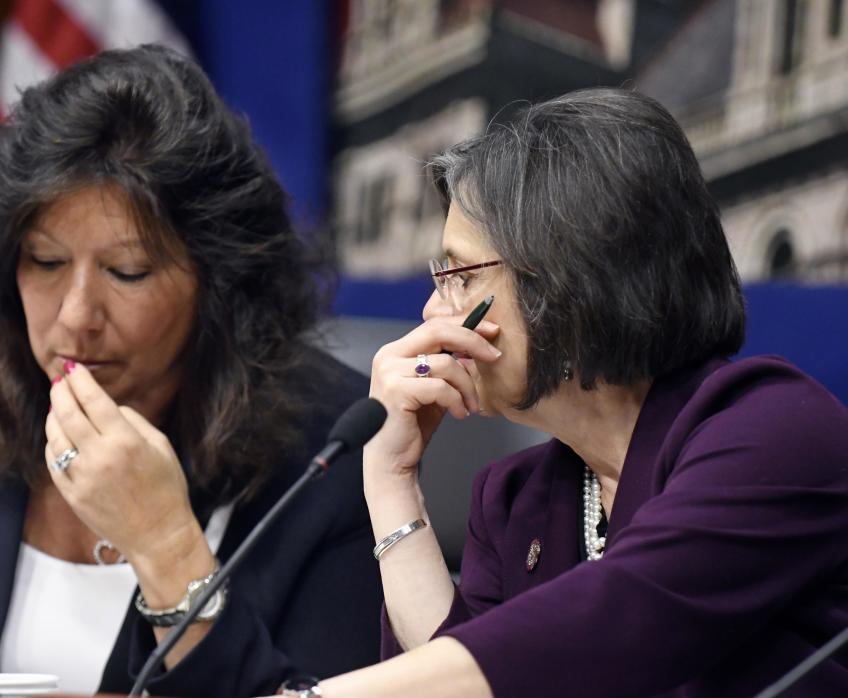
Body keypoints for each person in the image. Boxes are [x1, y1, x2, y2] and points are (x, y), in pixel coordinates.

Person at [277, 88, 848, 696]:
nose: (430, 312)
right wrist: (391, 482)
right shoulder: (514, 499)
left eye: (459, 276)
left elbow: (616, 626)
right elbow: (456, 677)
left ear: (572, 280)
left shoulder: (778, 429)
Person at [0, 45, 383, 697]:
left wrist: (166, 546)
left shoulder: (336, 451)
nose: (75, 318)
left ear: (219, 284)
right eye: (43, 262)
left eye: (128, 273)